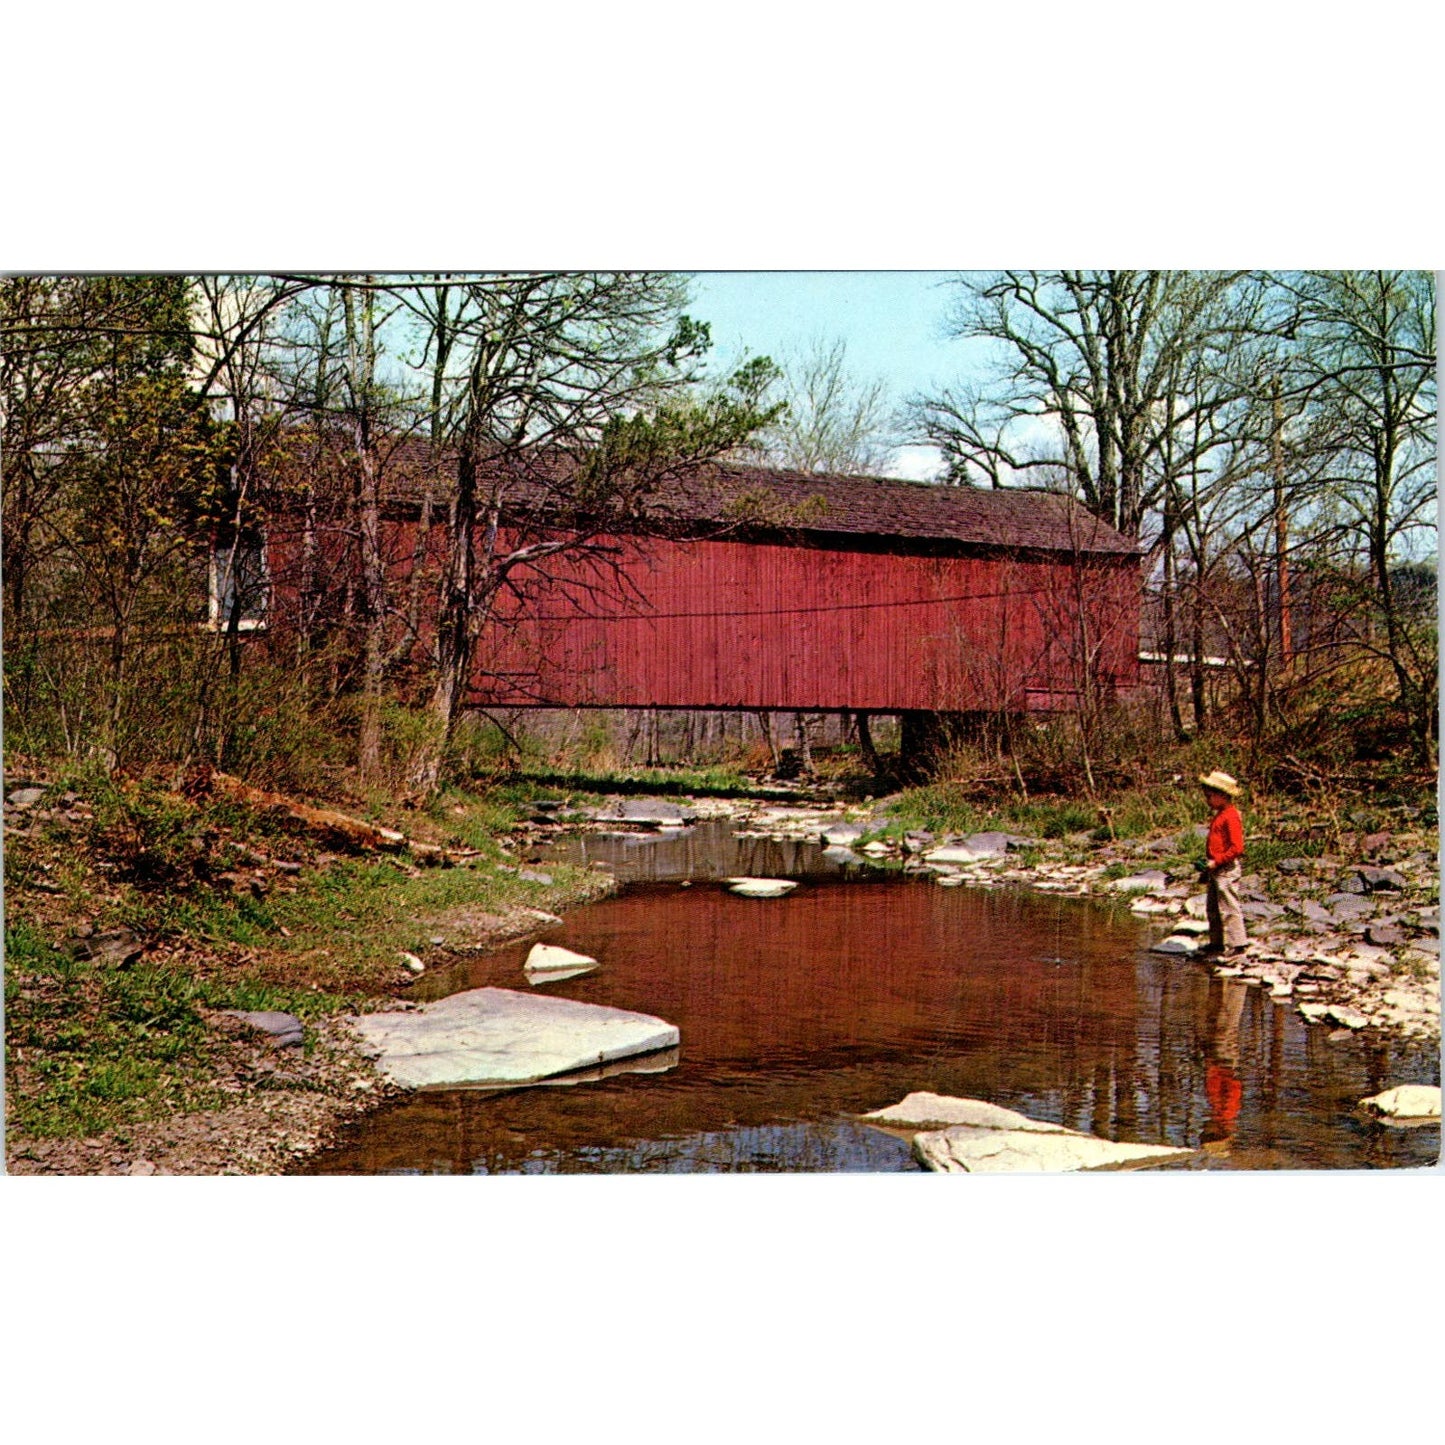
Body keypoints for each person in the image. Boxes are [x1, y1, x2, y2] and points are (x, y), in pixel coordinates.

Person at [1197, 769, 1247, 958]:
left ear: (1223, 796)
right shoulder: (1220, 814)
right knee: (1212, 908)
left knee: (1228, 906)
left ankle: (1238, 944)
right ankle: (1216, 943)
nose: (1207, 800)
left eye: (1210, 796)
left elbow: (1237, 848)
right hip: (1215, 868)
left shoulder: (1231, 816)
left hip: (1225, 869)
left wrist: (1216, 861)